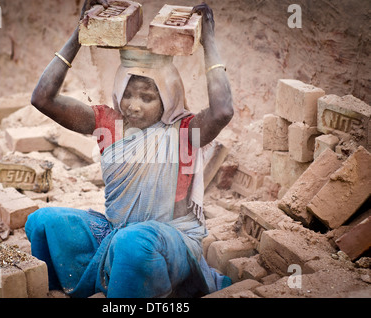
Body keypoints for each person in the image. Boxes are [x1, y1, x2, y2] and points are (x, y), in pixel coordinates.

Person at [25, 0, 234, 298]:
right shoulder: (108, 124)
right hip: (115, 232)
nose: (133, 105)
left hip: (171, 242)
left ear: (167, 97)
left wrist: (208, 41)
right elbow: (42, 99)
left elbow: (223, 110)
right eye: (127, 94)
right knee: (43, 222)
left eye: (147, 97)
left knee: (134, 243)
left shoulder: (184, 131)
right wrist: (79, 35)